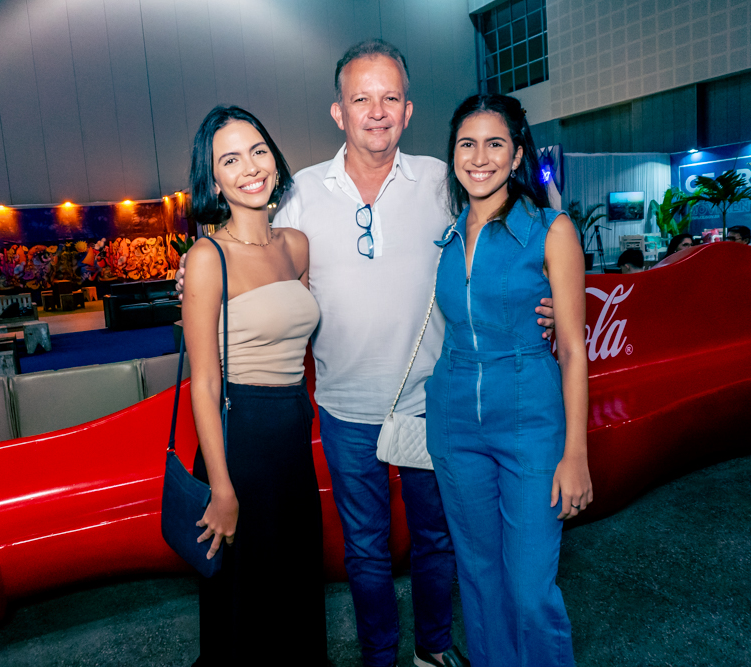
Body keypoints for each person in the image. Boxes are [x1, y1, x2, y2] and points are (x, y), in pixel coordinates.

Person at [179, 40, 556, 667]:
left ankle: (432, 651)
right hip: (342, 409)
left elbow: (515, 243)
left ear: (408, 111)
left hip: (433, 405)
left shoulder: (445, 180)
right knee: (365, 549)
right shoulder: (298, 194)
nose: (376, 112)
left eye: (390, 98)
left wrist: (549, 302)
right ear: (338, 112)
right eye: (361, 99)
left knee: (438, 541)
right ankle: (379, 658)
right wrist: (194, 278)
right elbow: (245, 250)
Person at [425, 93, 591, 667]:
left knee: (528, 588)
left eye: (495, 143)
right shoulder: (446, 239)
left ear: (518, 154)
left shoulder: (552, 230)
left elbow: (572, 348)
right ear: (452, 154)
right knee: (478, 579)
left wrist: (576, 453)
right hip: (454, 426)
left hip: (530, 423)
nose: (479, 157)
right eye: (466, 144)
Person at [180, 105, 329, 666]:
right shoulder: (205, 257)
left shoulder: (296, 245)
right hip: (238, 438)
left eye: (258, 150)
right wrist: (220, 487)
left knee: (293, 577)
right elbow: (203, 382)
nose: (250, 167)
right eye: (230, 159)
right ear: (213, 178)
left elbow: (299, 330)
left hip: (292, 433)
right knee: (247, 590)